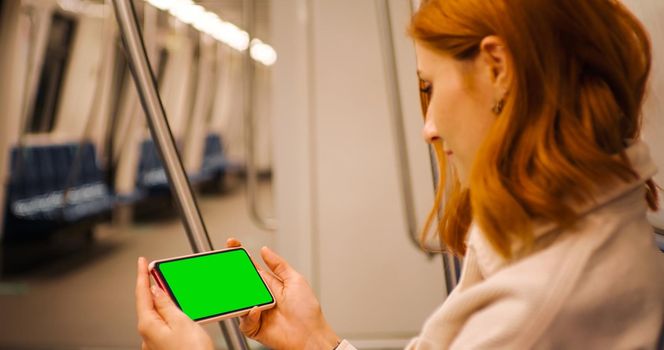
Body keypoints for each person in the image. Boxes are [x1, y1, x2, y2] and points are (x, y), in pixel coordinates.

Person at [135, 0, 664, 348]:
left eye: (430, 87)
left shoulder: (539, 308)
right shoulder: (565, 221)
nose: (427, 129)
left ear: (498, 70)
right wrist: (318, 339)